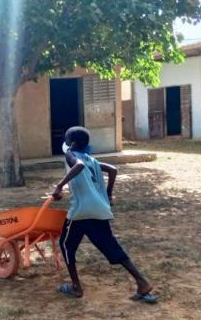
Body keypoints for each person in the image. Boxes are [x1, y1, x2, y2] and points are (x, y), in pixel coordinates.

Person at [51, 126, 157, 304]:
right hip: (99, 209)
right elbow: (113, 170)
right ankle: (142, 282)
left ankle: (76, 287)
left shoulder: (72, 156)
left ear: (73, 144)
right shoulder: (92, 160)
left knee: (66, 244)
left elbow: (78, 166)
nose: (66, 144)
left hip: (81, 211)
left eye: (67, 141)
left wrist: (59, 186)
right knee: (111, 246)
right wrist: (108, 193)